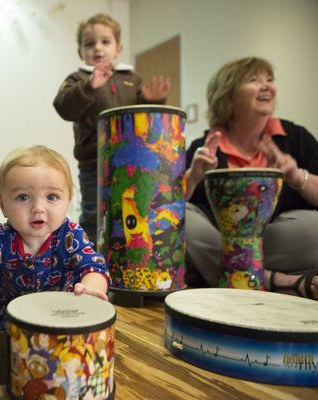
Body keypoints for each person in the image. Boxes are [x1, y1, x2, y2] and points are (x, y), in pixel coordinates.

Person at [185, 56, 318, 299]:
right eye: (254, 80)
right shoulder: (203, 146)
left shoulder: (296, 137)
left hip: (274, 240)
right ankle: (273, 280)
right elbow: (166, 205)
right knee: (182, 216)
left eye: (269, 79)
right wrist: (193, 176)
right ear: (228, 96)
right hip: (218, 240)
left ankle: (237, 274)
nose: (267, 85)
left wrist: (297, 177)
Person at [0, 145, 110, 327]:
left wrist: (90, 289)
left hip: (60, 317)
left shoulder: (71, 236)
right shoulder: (0, 240)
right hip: (4, 322)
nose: (38, 208)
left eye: (51, 197)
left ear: (68, 200)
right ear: (2, 205)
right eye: (23, 197)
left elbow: (93, 267)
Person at [53, 13, 171, 244]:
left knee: (129, 208)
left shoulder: (132, 80)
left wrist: (153, 101)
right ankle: (88, 259)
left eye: (105, 42)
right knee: (94, 212)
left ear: (118, 48)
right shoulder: (77, 79)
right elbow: (64, 108)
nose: (98, 48)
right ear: (80, 52)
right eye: (89, 44)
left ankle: (122, 254)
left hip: (130, 162)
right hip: (94, 163)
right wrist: (89, 86)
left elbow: (145, 122)